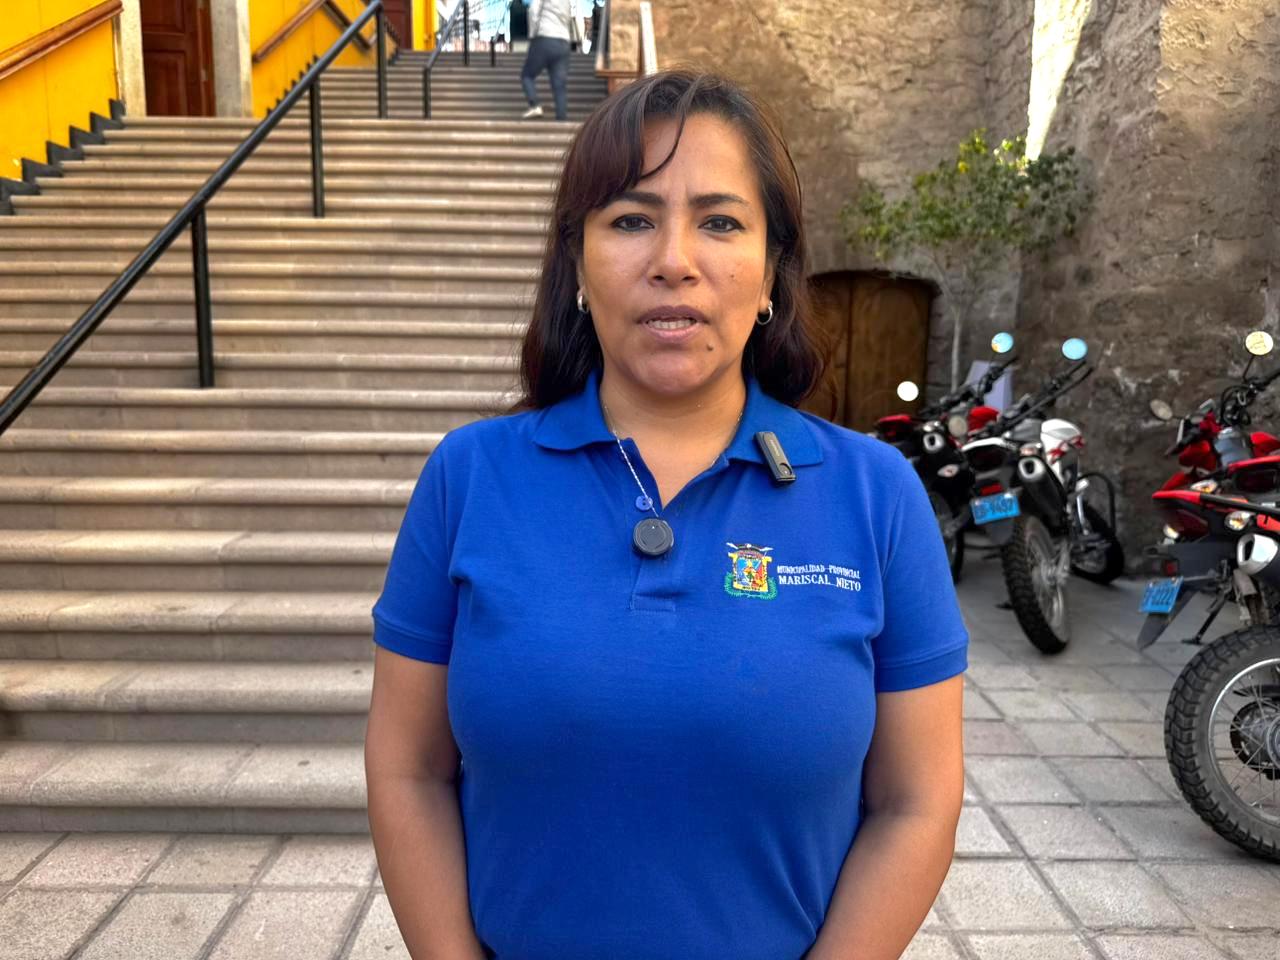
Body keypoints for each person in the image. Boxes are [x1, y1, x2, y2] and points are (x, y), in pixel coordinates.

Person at [365, 70, 968, 960]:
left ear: (772, 272)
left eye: (720, 222)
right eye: (630, 220)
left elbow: (916, 801)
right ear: (577, 264)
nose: (674, 259)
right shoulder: (469, 477)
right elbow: (408, 769)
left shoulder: (877, 494)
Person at [518, 0, 580, 120]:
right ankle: (561, 119)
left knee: (527, 76)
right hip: (563, 41)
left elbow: (533, 11)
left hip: (544, 37)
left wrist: (533, 34)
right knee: (559, 85)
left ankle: (534, 105)